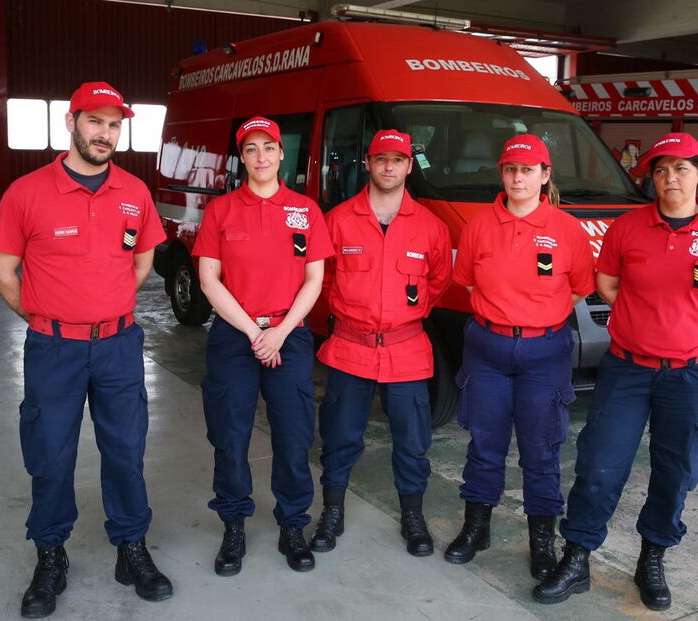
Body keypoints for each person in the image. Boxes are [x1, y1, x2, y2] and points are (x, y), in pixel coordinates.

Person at [533, 133, 698, 610]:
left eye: (680, 168)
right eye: (660, 170)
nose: (669, 178)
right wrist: (642, 320)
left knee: (675, 471)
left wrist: (687, 328)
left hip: (689, 376)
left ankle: (652, 557)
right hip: (627, 370)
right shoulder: (627, 228)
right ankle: (578, 556)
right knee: (599, 465)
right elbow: (607, 284)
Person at [0, 81, 173, 618]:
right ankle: (51, 556)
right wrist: (44, 316)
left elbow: (141, 263)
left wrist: (106, 308)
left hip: (118, 346)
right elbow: (2, 271)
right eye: (95, 121)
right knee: (50, 454)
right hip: (54, 350)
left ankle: (131, 549)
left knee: (126, 451)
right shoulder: (27, 192)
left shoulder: (134, 193)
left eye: (115, 124)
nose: (106, 133)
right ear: (71, 123)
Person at [446, 134, 595, 581]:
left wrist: (536, 319)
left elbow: (580, 288)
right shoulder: (478, 225)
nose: (517, 178)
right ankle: (477, 528)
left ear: (545, 175)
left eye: (527, 170)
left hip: (545, 353)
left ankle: (542, 542)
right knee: (484, 445)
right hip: (487, 349)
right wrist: (504, 316)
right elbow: (469, 283)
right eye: (510, 169)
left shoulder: (567, 230)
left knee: (541, 450)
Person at [192, 116, 334, 575]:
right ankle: (234, 526)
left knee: (293, 438)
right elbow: (208, 279)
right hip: (236, 338)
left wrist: (280, 331)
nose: (260, 157)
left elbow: (315, 280)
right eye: (250, 149)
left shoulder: (305, 210)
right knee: (229, 437)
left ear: (281, 153)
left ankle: (292, 525)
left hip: (288, 336)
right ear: (242, 157)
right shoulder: (221, 210)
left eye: (268, 148)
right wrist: (255, 334)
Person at [311, 130, 452, 557]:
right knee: (339, 437)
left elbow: (438, 283)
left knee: (412, 441)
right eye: (380, 159)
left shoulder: (431, 227)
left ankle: (413, 515)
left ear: (409, 166)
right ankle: (331, 511)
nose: (389, 167)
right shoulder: (338, 220)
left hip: (406, 349)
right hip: (349, 346)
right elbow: (323, 279)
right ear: (368, 164)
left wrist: (399, 317)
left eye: (397, 159)